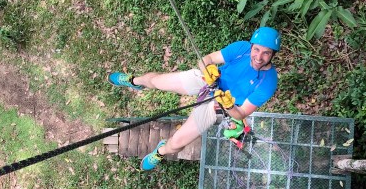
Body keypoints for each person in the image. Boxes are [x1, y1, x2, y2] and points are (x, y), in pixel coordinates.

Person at [109, 26, 281, 171]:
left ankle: (160, 151)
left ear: (273, 55)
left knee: (177, 143)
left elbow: (241, 113)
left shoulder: (268, 82)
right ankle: (134, 81)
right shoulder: (242, 49)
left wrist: (227, 105)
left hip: (218, 104)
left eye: (266, 53)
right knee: (156, 80)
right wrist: (208, 71)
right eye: (256, 49)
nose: (259, 57)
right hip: (209, 81)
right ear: (251, 46)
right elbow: (207, 59)